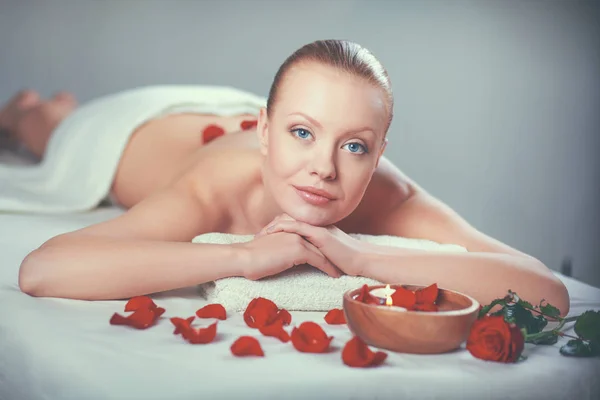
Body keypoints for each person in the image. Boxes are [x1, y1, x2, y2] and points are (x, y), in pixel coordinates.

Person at [4, 40, 569, 315]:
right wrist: (245, 257)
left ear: (377, 157)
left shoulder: (391, 193)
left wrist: (364, 259)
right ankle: (32, 109)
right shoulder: (217, 189)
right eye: (304, 136)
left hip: (263, 105)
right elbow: (44, 268)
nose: (325, 167)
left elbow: (547, 290)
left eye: (354, 147)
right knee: (47, 126)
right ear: (266, 132)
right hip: (135, 131)